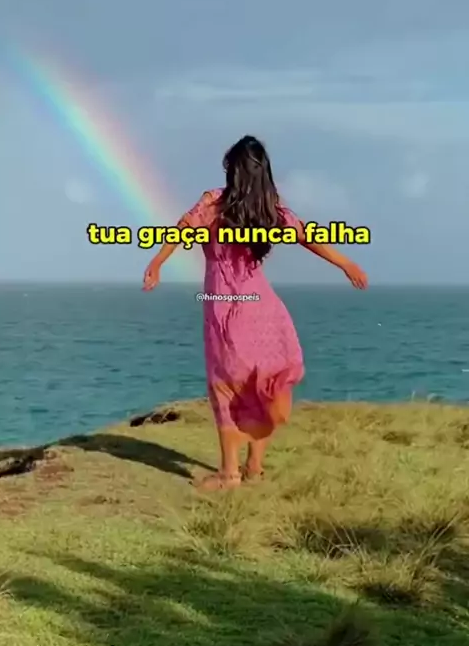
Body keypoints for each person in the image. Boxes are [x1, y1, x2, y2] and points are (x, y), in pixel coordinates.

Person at [142, 135, 368, 491]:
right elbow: (307, 236)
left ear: (233, 170)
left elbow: (179, 233)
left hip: (225, 308)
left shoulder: (213, 203)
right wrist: (345, 263)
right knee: (261, 385)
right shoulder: (270, 208)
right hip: (262, 307)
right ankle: (255, 467)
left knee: (226, 386)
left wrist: (156, 264)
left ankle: (230, 473)